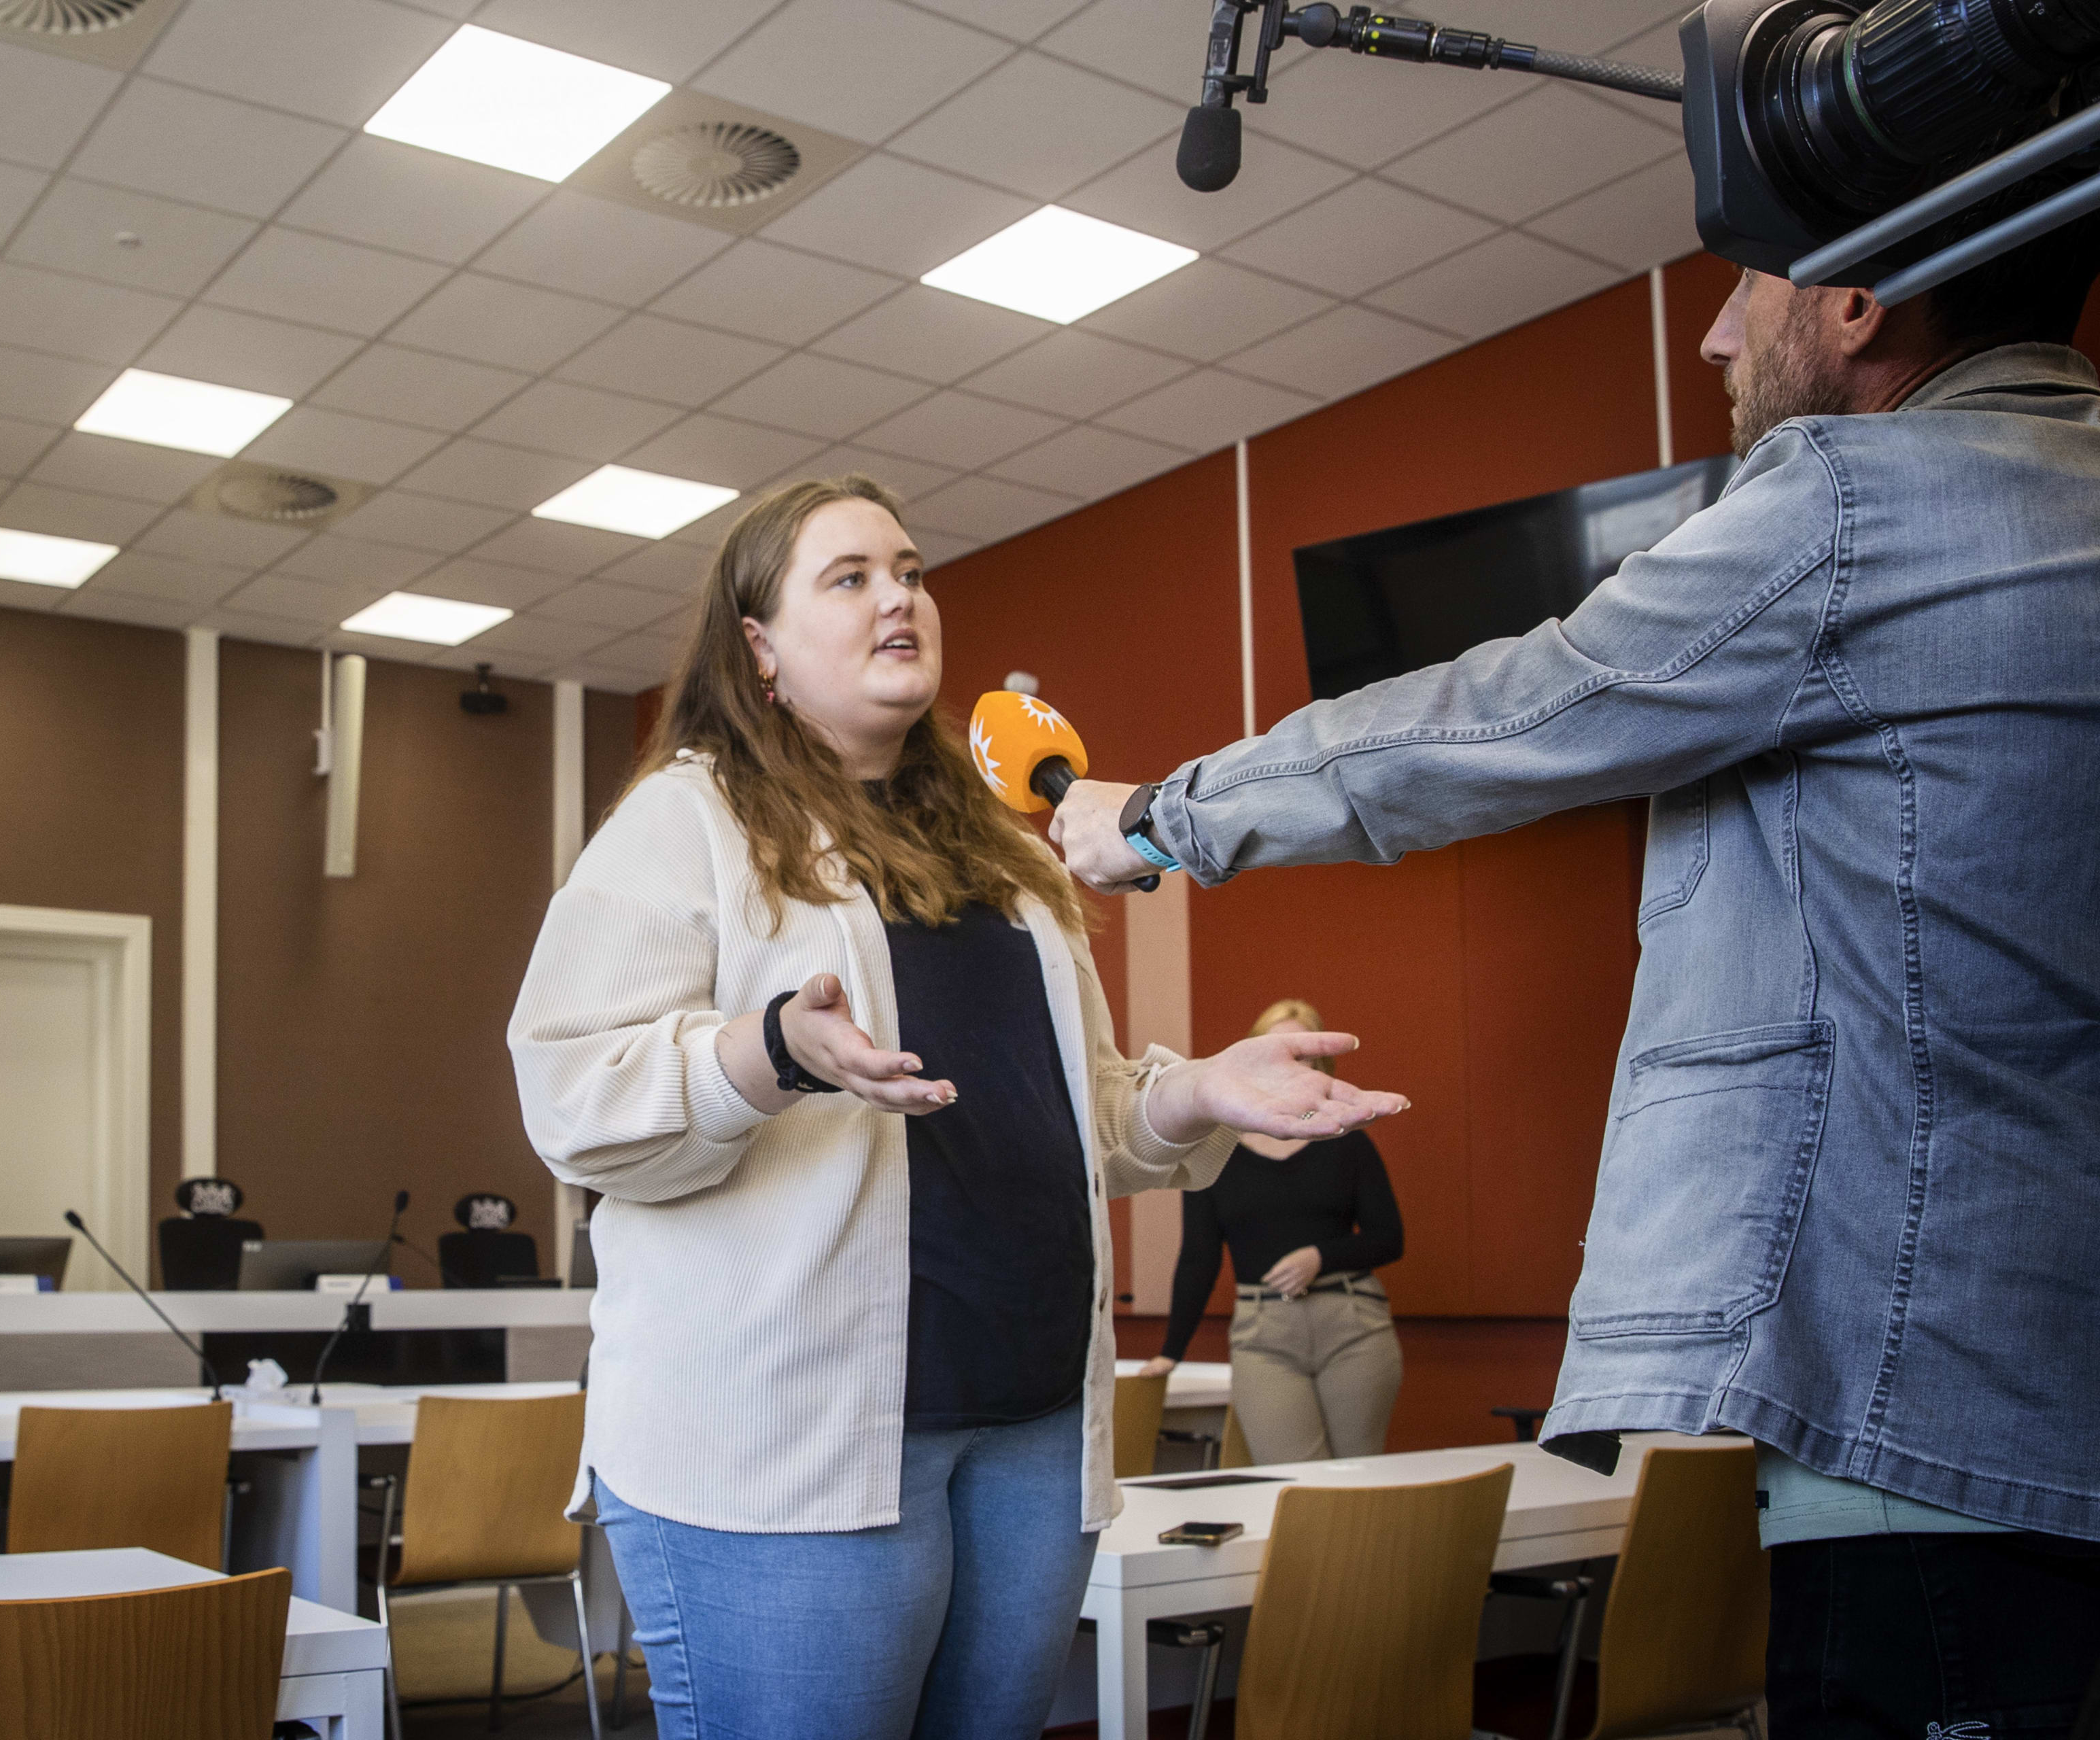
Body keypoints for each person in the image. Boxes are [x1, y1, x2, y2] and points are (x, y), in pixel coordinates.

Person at [1050, 203, 2100, 1737]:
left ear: (1860, 300)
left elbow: (1511, 710)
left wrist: (1165, 815)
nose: (1717, 338)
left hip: (1907, 1404)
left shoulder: (1858, 501)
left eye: (1748, 290)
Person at [509, 475, 1407, 1739]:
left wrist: (1199, 1092)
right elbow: (569, 1092)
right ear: (758, 648)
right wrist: (768, 1053)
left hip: (1033, 1434)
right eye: (851, 577)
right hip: (795, 1456)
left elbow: (1085, 1117)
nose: (900, 599)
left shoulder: (1005, 853)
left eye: (913, 571)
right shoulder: (687, 822)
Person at [1141, 998, 1404, 1463]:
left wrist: (1320, 1257)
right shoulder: (1215, 1150)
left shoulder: (1350, 1146)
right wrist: (1172, 1351)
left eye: (1304, 1055)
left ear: (1323, 1065)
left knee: (1359, 1477)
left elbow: (1389, 1238)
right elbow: (1199, 1257)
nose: (1292, 1064)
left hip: (1353, 1325)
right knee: (1293, 1480)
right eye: (1279, 1049)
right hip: (1263, 1336)